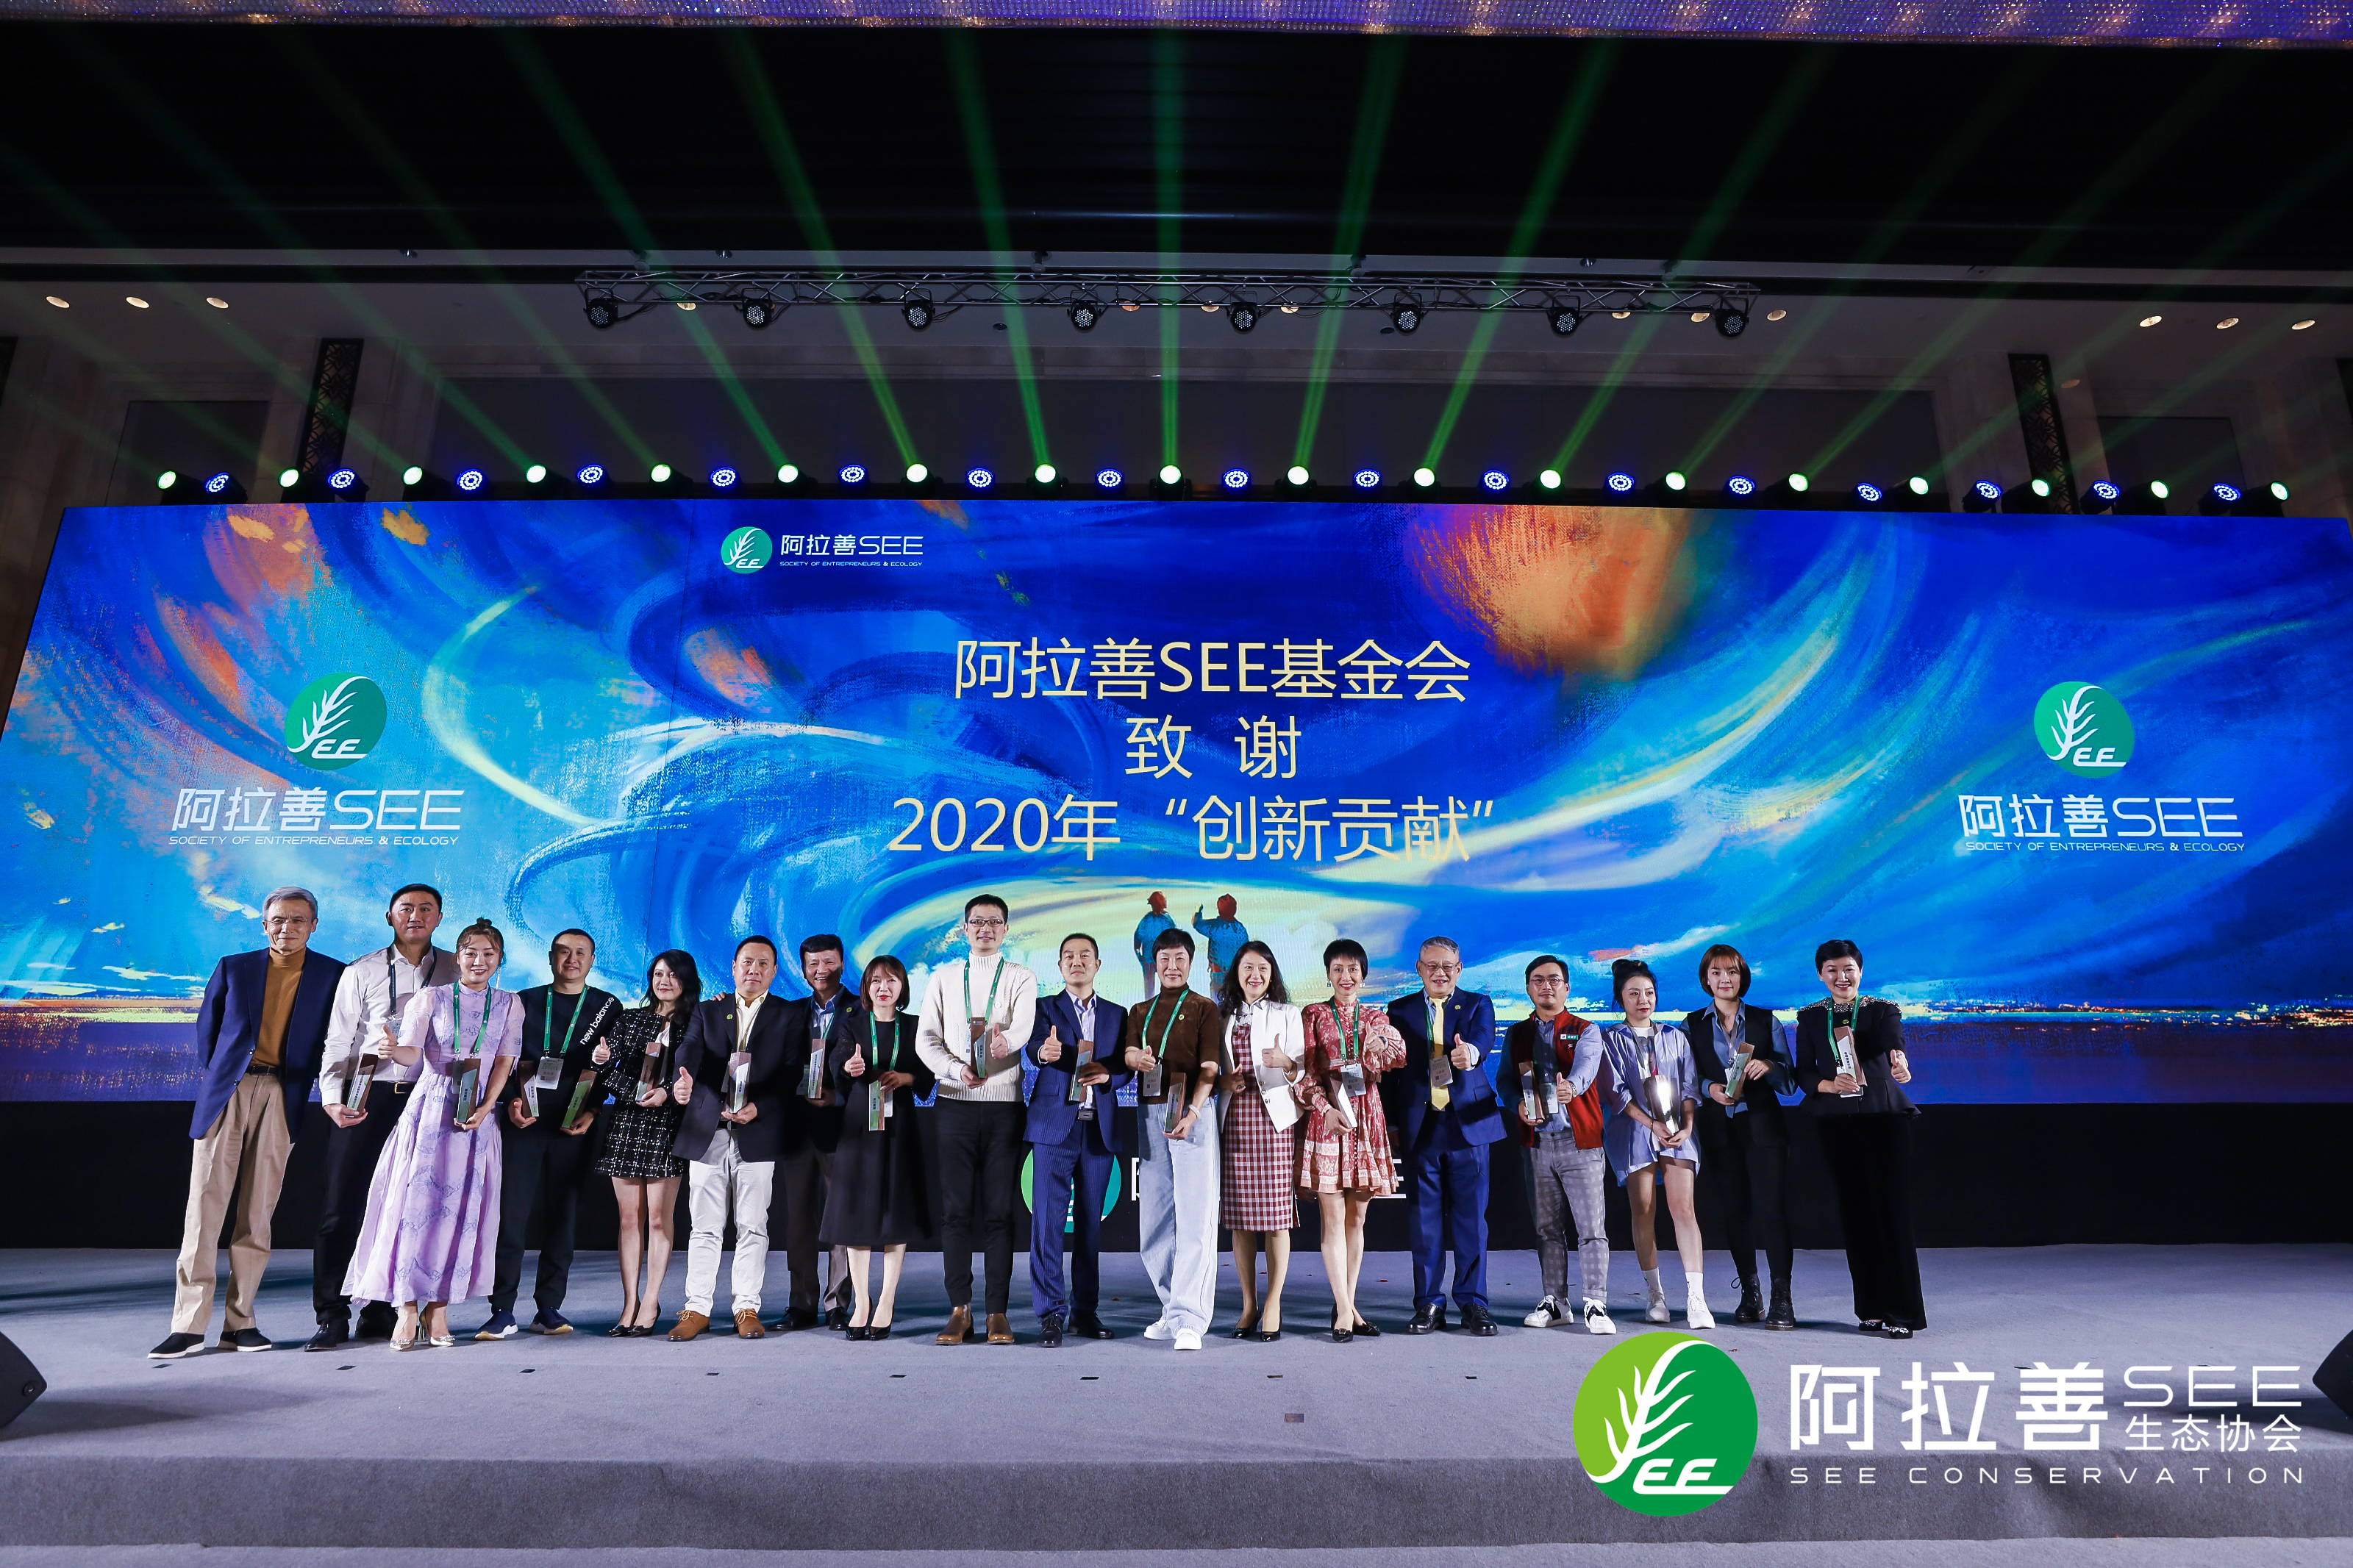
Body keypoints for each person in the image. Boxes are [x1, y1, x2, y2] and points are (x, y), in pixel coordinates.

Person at [151, 887, 345, 1359]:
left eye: (297, 920)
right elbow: (208, 1033)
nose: (286, 928)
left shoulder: (333, 975)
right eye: (278, 920)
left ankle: (241, 1323)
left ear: (313, 925)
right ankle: (188, 1326)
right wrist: (225, 1076)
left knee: (257, 1215)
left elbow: (336, 1038)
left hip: (284, 1094)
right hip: (228, 1093)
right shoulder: (233, 968)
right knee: (204, 1211)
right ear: (264, 924)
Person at [343, 916, 524, 1350]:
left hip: (477, 1115)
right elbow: (411, 1053)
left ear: (500, 960)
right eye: (470, 953)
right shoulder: (431, 998)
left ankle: (438, 1309)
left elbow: (505, 1060)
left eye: (489, 954)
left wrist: (486, 1107)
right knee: (414, 1208)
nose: (479, 961)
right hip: (430, 1109)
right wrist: (392, 1049)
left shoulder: (510, 1004)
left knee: (459, 1213)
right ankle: (406, 1308)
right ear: (457, 957)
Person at [307, 883, 451, 1351]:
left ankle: (382, 1310)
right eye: (406, 908)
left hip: (427, 1099)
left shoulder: (455, 969)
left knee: (408, 1208)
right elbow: (338, 1040)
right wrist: (332, 1097)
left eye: (426, 909)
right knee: (342, 1206)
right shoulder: (362, 970)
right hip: (367, 1095)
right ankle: (331, 1314)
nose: (416, 916)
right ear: (390, 917)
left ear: (439, 918)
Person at [478, 927, 619, 1339]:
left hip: (573, 1124)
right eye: (563, 952)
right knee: (511, 1217)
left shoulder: (607, 1006)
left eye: (580, 953)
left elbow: (613, 1068)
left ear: (592, 960)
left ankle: (549, 1308)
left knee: (564, 1217)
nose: (571, 959)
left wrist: (594, 1110)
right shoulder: (523, 1001)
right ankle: (502, 1309)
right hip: (524, 1119)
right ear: (551, 957)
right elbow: (502, 1058)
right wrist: (510, 1101)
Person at [913, 893, 1039, 1347]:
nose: (986, 929)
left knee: (1000, 1212)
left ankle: (997, 1312)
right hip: (954, 1104)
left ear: (1006, 929)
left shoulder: (1021, 976)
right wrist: (954, 1069)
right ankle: (960, 1309)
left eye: (994, 922)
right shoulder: (944, 978)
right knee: (955, 1212)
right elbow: (926, 1039)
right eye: (977, 922)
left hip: (1005, 1106)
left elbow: (1024, 1026)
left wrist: (1007, 1043)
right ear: (964, 929)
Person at [1791, 938, 1922, 1339]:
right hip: (1836, 1122)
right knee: (1855, 1214)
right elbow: (1804, 1072)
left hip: (1884, 1118)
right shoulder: (1811, 1017)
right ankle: (1870, 1308)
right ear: (1821, 975)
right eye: (1832, 970)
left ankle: (1903, 1313)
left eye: (1848, 969)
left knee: (1891, 1213)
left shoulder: (1882, 1009)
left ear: (1860, 971)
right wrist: (1830, 1085)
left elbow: (1893, 1044)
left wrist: (1900, 1061)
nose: (1841, 977)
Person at [668, 935, 795, 1342]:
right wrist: (683, 1081)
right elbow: (689, 1052)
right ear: (734, 967)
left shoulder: (787, 1014)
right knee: (704, 1226)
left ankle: (746, 1307)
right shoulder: (708, 1010)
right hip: (708, 1129)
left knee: (753, 1225)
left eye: (763, 964)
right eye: (747, 963)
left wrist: (761, 1107)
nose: (754, 970)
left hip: (758, 1130)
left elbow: (791, 1074)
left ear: (774, 971)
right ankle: (696, 1308)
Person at [1383, 937, 1502, 1336]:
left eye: (1447, 966)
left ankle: (1473, 1303)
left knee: (1472, 1221)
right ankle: (1429, 1303)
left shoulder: (1478, 1004)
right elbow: (1391, 1075)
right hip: (1422, 1128)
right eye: (1431, 966)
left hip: (1468, 1126)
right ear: (1419, 969)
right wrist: (1393, 1126)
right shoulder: (1399, 1011)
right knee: (1424, 1222)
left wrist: (1472, 1054)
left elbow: (1483, 1039)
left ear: (1459, 969)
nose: (1440, 973)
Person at [1294, 938, 1407, 1342]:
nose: (1346, 976)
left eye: (1353, 969)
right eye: (1338, 969)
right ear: (1328, 974)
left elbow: (1399, 1054)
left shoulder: (1375, 1016)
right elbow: (1303, 1075)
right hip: (1329, 1120)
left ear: (1363, 974)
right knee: (1333, 1219)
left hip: (1366, 1120)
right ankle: (1345, 1311)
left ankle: (1348, 1303)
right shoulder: (1314, 1014)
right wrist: (1324, 1108)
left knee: (1357, 1219)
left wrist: (1382, 1043)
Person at [1684, 942, 1799, 1331]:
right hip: (1719, 1131)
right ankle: (1751, 1293)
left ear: (1742, 977)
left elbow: (1790, 1082)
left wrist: (1769, 1066)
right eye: (1716, 972)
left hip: (1764, 1128)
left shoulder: (1767, 1021)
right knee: (1735, 1212)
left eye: (1731, 972)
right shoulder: (1691, 1025)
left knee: (1771, 1211)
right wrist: (1709, 1088)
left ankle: (1782, 1297)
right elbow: (1687, 1079)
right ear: (1706, 979)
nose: (1724, 979)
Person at [1596, 958, 1713, 1331]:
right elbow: (1615, 1093)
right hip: (1634, 1132)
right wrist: (1651, 1125)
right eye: (1634, 994)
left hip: (1678, 1132)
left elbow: (1690, 1086)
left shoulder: (1675, 1036)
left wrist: (1687, 1125)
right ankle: (1655, 1294)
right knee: (1643, 1210)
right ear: (1621, 999)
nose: (1643, 1000)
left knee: (1684, 1210)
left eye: (1648, 992)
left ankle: (1697, 1298)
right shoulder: (1610, 1040)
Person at [1024, 933, 1129, 1347]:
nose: (1076, 961)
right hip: (1055, 1127)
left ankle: (1085, 1311)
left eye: (1085, 955)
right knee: (1048, 1224)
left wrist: (1110, 1075)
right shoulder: (1043, 1008)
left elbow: (1125, 1065)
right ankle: (1051, 1313)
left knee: (1090, 1227)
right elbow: (1033, 1048)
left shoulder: (1117, 1014)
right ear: (1060, 966)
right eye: (1068, 956)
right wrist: (1042, 1054)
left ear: (1097, 965)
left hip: (1097, 1127)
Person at [588, 950, 699, 1336]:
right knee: (629, 1218)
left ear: (687, 980)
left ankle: (651, 1301)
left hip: (668, 1125)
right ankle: (629, 1303)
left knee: (658, 1218)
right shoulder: (631, 1019)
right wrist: (606, 1062)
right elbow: (605, 1068)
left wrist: (666, 1092)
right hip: (628, 1123)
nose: (664, 981)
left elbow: (701, 1072)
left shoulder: (697, 1021)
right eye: (658, 974)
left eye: (672, 975)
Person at [824, 954, 935, 1339]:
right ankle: (862, 1301)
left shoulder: (915, 1026)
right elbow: (838, 1065)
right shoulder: (853, 1024)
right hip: (859, 1126)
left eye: (891, 981)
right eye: (875, 981)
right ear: (866, 988)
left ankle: (887, 1299)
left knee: (895, 1210)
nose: (883, 988)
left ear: (902, 987)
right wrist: (849, 1068)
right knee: (857, 1213)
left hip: (900, 1126)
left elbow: (927, 1075)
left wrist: (906, 1077)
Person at [1124, 927, 1223, 1351]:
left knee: (1195, 1216)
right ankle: (1172, 1307)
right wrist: (1135, 1058)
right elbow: (1129, 1054)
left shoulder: (1204, 1008)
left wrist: (1194, 1113)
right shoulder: (1139, 1010)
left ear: (1191, 962)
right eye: (1164, 958)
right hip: (1151, 1112)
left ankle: (1191, 1319)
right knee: (1155, 1219)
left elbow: (1211, 1068)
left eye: (1180, 958)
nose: (1171, 966)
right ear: (1154, 962)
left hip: (1192, 1112)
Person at [1507, 955, 1612, 1335]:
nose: (1546, 986)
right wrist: (1517, 1105)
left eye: (1554, 980)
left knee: (1591, 1228)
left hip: (1579, 1142)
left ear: (1567, 988)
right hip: (1537, 1144)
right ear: (1528, 988)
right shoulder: (1516, 1034)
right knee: (1547, 1229)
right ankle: (1556, 1302)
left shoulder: (1586, 1030)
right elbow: (1505, 1082)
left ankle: (1596, 1303)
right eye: (1538, 980)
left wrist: (1573, 1087)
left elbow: (1586, 1067)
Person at [1215, 941, 1305, 1342]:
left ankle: (1274, 1303)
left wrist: (1287, 1063)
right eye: (1248, 968)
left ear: (1272, 975)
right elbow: (1211, 1069)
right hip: (1234, 1120)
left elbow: (1304, 1070)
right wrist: (1225, 1082)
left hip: (1274, 1122)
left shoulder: (1288, 1014)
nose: (1255, 975)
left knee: (1276, 1219)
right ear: (1236, 972)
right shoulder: (1220, 1015)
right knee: (1239, 1219)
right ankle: (1249, 1304)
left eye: (1263, 969)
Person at [774, 934, 853, 1330]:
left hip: (842, 1128)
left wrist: (838, 1097)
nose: (821, 970)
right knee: (799, 1221)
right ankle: (801, 1303)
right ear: (803, 969)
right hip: (796, 1128)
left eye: (829, 962)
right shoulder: (789, 1011)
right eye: (813, 964)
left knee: (841, 1219)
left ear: (842, 963)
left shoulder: (862, 1009)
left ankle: (838, 1303)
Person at [1190, 895, 1247, 992]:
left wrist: (1198, 911)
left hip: (1218, 973)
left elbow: (1197, 924)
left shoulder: (1216, 927)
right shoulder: (1241, 929)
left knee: (1217, 1000)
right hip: (1236, 974)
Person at [1132, 892, 1174, 991]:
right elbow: (1137, 940)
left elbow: (1137, 941)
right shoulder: (1163, 920)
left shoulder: (1150, 920)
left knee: (1161, 990)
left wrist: (1140, 957)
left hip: (1158, 961)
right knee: (1153, 991)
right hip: (1153, 961)